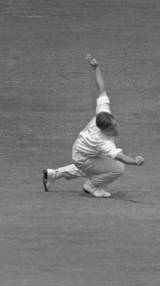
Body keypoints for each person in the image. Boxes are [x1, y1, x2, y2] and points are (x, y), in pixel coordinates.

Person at [42, 54, 145, 198]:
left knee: (94, 167)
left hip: (82, 150)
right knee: (117, 168)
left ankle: (53, 174)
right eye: (112, 128)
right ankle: (91, 186)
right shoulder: (103, 142)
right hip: (83, 155)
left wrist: (96, 67)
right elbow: (121, 157)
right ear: (104, 130)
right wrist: (135, 161)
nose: (116, 129)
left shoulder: (103, 112)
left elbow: (101, 88)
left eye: (115, 124)